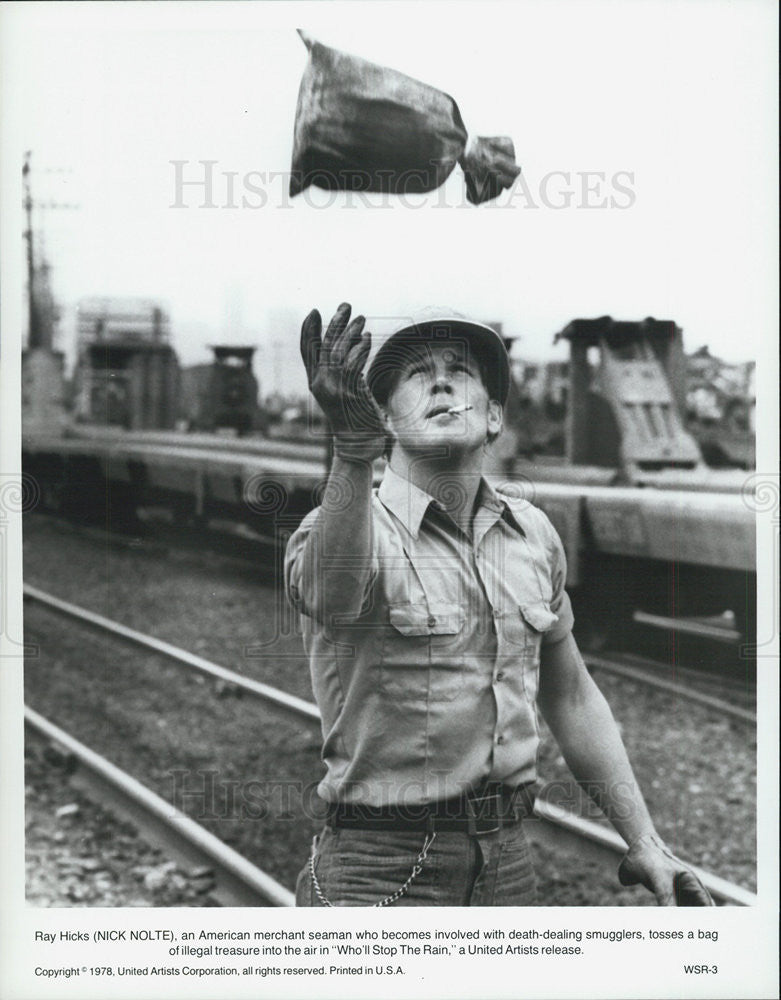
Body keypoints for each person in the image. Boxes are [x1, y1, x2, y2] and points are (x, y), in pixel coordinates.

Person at [284, 302, 712, 907]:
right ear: (383, 419)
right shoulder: (345, 527)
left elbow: (570, 695)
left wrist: (643, 838)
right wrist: (352, 454)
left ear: (493, 418)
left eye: (459, 369)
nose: (440, 380)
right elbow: (333, 594)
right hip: (377, 867)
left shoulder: (532, 534)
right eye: (416, 374)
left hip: (507, 861)